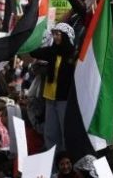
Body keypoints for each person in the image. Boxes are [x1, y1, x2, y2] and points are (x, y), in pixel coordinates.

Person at [29, 22, 76, 151]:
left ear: (66, 36)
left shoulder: (73, 54)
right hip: (50, 97)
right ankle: (53, 159)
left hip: (64, 99)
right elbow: (33, 52)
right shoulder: (52, 51)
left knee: (65, 131)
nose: (55, 37)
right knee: (50, 131)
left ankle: (66, 158)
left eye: (58, 34)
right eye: (54, 34)